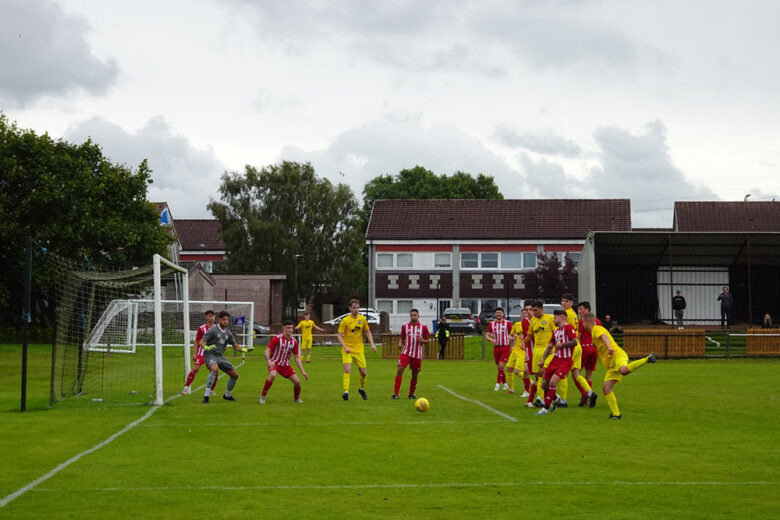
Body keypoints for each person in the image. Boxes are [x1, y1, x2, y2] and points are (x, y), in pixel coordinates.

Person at [581, 312, 656, 419]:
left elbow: (605, 337)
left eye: (583, 322)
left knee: (624, 370)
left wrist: (609, 348)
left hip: (616, 354)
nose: (582, 325)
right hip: (612, 364)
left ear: (587, 322)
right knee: (606, 388)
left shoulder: (596, 329)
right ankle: (616, 414)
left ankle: (648, 358)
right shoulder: (593, 333)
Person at [199, 310, 249, 403]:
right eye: (223, 319)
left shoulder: (228, 333)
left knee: (235, 375)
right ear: (219, 320)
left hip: (220, 357)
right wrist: (206, 347)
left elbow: (235, 346)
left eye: (227, 320)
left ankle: (227, 395)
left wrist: (244, 350)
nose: (226, 321)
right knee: (214, 369)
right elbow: (201, 341)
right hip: (210, 355)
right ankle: (206, 396)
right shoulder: (213, 330)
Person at [535, 310, 578, 415]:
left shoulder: (568, 327)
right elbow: (550, 346)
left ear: (562, 317)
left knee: (552, 382)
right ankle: (556, 398)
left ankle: (545, 408)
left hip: (566, 361)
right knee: (543, 385)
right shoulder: (556, 331)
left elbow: (575, 341)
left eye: (555, 318)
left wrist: (562, 345)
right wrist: (543, 360)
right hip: (555, 360)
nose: (553, 320)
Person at [337, 299, 377, 400]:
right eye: (354, 307)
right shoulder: (345, 320)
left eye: (358, 307)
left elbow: (367, 332)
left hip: (359, 350)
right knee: (347, 369)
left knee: (363, 373)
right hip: (348, 350)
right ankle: (346, 392)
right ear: (350, 308)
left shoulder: (362, 319)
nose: (356, 309)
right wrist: (345, 347)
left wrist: (372, 344)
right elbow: (339, 336)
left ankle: (361, 389)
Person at [260, 320, 308, 404]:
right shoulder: (277, 338)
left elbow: (297, 358)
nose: (290, 330)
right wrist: (269, 361)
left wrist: (303, 371)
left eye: (292, 328)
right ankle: (263, 396)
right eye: (288, 328)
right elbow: (266, 351)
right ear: (283, 328)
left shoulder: (294, 342)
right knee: (273, 375)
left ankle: (297, 399)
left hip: (285, 365)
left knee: (297, 382)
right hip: (274, 363)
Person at [561, 293, 594, 408]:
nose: (563, 303)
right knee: (577, 374)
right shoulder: (574, 314)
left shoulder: (567, 314)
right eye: (562, 301)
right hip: (581, 347)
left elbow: (567, 330)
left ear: (571, 303)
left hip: (573, 346)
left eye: (566, 301)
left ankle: (563, 401)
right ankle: (590, 393)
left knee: (561, 373)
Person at [393, 309, 431, 400]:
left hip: (417, 355)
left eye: (415, 315)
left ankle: (411, 394)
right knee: (399, 370)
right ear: (410, 316)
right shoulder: (405, 326)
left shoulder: (423, 327)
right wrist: (400, 343)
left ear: (418, 316)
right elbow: (402, 338)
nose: (413, 317)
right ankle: (396, 394)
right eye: (411, 315)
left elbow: (428, 340)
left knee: (414, 375)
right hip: (406, 353)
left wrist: (423, 341)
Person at [524, 300, 556, 408]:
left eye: (535, 310)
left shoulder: (550, 319)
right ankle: (550, 398)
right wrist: (522, 343)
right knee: (538, 377)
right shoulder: (532, 321)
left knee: (543, 373)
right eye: (532, 310)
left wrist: (554, 346)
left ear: (541, 309)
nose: (533, 312)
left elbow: (556, 333)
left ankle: (541, 399)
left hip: (548, 350)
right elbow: (529, 335)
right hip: (537, 350)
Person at [182, 309, 218, 395]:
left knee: (215, 371)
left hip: (212, 353)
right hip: (202, 352)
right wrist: (195, 353)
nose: (212, 317)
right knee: (195, 368)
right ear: (206, 317)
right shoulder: (201, 328)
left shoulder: (217, 328)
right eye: (210, 316)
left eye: (213, 316)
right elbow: (197, 341)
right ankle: (186, 388)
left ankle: (211, 390)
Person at [485, 307, 512, 391]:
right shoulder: (491, 324)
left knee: (501, 366)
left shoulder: (508, 323)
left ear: (503, 314)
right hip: (496, 348)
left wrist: (512, 340)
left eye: (500, 312)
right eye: (497, 312)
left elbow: (513, 334)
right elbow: (486, 335)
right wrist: (491, 339)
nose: (498, 314)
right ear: (495, 314)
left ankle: (497, 384)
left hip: (505, 347)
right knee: (499, 368)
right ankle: (505, 384)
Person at [507, 306, 532, 396]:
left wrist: (524, 338)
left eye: (526, 313)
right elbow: (511, 335)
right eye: (522, 313)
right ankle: (511, 389)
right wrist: (512, 342)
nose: (524, 314)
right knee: (509, 369)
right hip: (515, 350)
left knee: (517, 371)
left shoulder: (530, 324)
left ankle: (531, 382)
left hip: (523, 351)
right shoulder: (517, 324)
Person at [577, 301, 601, 395]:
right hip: (594, 349)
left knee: (576, 374)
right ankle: (588, 396)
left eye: (581, 309)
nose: (579, 311)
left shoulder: (582, 321)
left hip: (584, 349)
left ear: (587, 309)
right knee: (589, 374)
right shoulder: (597, 321)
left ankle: (585, 394)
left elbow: (579, 337)